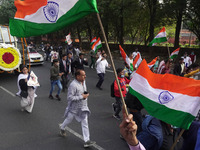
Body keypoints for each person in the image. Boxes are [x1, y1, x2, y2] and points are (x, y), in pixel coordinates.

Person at [59, 70, 96, 148]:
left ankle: (87, 141)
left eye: (85, 75)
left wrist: (85, 94)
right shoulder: (73, 85)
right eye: (83, 75)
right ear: (77, 76)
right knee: (69, 119)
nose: (85, 76)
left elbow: (83, 91)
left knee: (85, 122)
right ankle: (62, 128)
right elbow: (70, 97)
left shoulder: (84, 81)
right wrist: (81, 97)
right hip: (74, 108)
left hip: (83, 107)